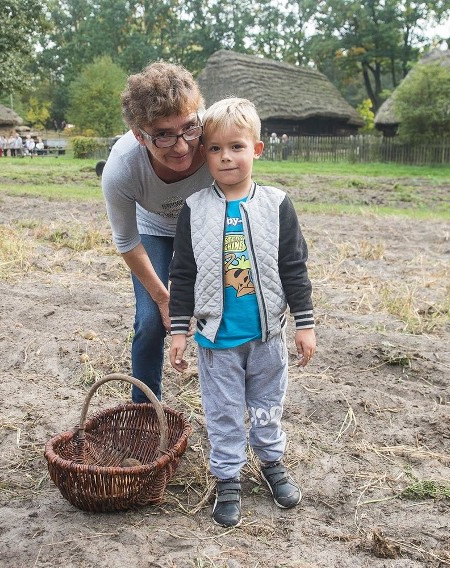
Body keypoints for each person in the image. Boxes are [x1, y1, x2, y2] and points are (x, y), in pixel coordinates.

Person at [168, 97, 316, 528]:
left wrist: (304, 324)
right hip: (218, 340)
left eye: (236, 146)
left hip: (268, 336)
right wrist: (179, 332)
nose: (226, 157)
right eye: (214, 149)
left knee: (268, 406)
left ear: (257, 149)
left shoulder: (276, 204)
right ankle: (228, 477)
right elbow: (183, 273)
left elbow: (293, 267)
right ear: (204, 155)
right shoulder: (195, 210)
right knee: (224, 412)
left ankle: (271, 463)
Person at [102, 61, 214, 404]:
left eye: (188, 129)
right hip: (155, 228)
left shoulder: (214, 135)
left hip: (207, 225)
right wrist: (165, 298)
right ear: (140, 135)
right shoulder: (121, 169)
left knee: (224, 311)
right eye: (163, 135)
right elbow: (126, 241)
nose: (181, 147)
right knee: (151, 320)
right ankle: (145, 409)